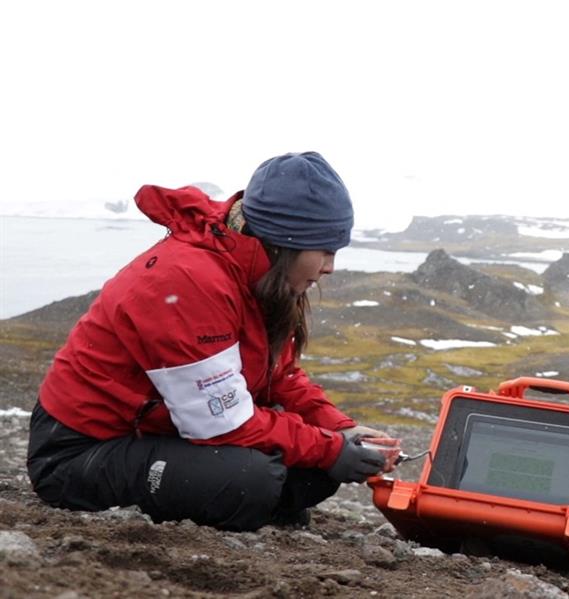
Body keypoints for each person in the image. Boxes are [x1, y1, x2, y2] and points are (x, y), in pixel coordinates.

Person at [27, 151, 396, 531]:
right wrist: (330, 448)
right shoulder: (190, 280)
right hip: (79, 452)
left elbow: (280, 377)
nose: (330, 267)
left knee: (313, 470)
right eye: (325, 250)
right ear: (287, 241)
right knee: (250, 479)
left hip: (159, 433)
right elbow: (219, 424)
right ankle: (239, 503)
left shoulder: (262, 276)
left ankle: (241, 503)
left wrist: (343, 431)